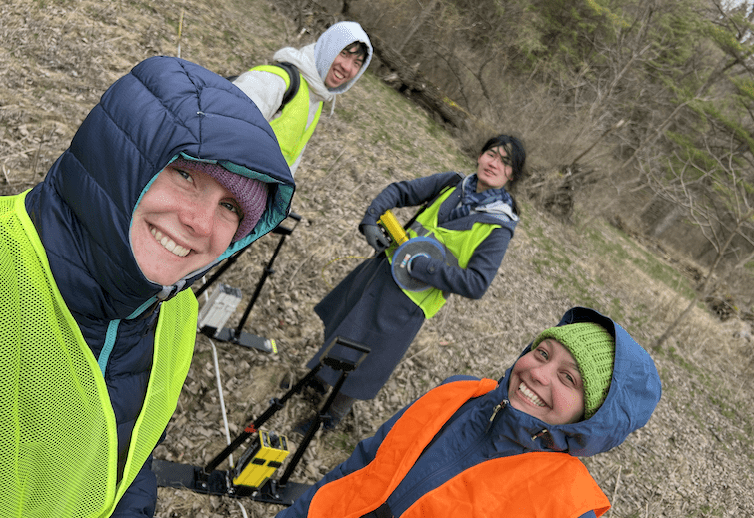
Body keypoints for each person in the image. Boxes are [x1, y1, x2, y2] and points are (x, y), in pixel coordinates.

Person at [0, 56, 294, 517]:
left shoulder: (174, 314)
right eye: (186, 175)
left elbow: (125, 459)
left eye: (231, 208)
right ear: (117, 159)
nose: (200, 224)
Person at [276, 306, 662, 518]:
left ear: (591, 417)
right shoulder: (457, 394)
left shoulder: (567, 507)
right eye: (542, 353)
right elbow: (361, 467)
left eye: (568, 379)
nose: (538, 374)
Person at [298, 135, 526, 431]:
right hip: (382, 271)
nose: (494, 163)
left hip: (410, 301)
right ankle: (316, 380)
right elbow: (400, 191)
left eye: (505, 162)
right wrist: (371, 219)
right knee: (345, 326)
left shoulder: (499, 226)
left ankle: (330, 418)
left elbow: (476, 283)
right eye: (491, 154)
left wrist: (421, 265)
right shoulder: (452, 183)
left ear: (512, 175)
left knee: (367, 360)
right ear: (480, 156)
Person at [232, 21, 373, 176]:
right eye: (344, 54)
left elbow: (289, 160)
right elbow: (223, 132)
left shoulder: (317, 100)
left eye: (357, 63)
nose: (347, 67)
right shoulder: (278, 81)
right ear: (328, 49)